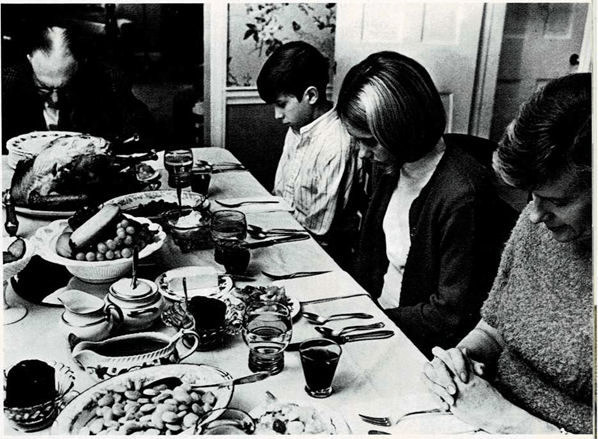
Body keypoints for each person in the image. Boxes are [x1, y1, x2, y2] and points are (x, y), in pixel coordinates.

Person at [421, 73, 592, 434]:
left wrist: (505, 420)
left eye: (558, 201)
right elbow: (497, 326)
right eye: (533, 195)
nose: (534, 216)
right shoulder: (539, 226)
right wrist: (461, 361)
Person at [336, 51, 515, 358]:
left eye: (369, 141)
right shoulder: (392, 165)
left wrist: (370, 325)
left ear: (401, 129)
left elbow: (450, 315)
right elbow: (368, 260)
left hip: (417, 345)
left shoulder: (462, 195)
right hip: (380, 320)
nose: (362, 153)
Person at [256, 41, 360, 267]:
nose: (277, 115)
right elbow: (281, 195)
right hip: (288, 233)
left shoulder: (337, 144)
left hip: (320, 255)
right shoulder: (298, 126)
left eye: (282, 104)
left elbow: (319, 232)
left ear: (311, 95)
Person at [2, 19, 160, 152]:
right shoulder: (7, 83)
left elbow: (148, 134)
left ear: (81, 63)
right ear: (30, 59)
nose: (55, 99)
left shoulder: (108, 80)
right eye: (44, 87)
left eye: (64, 88)